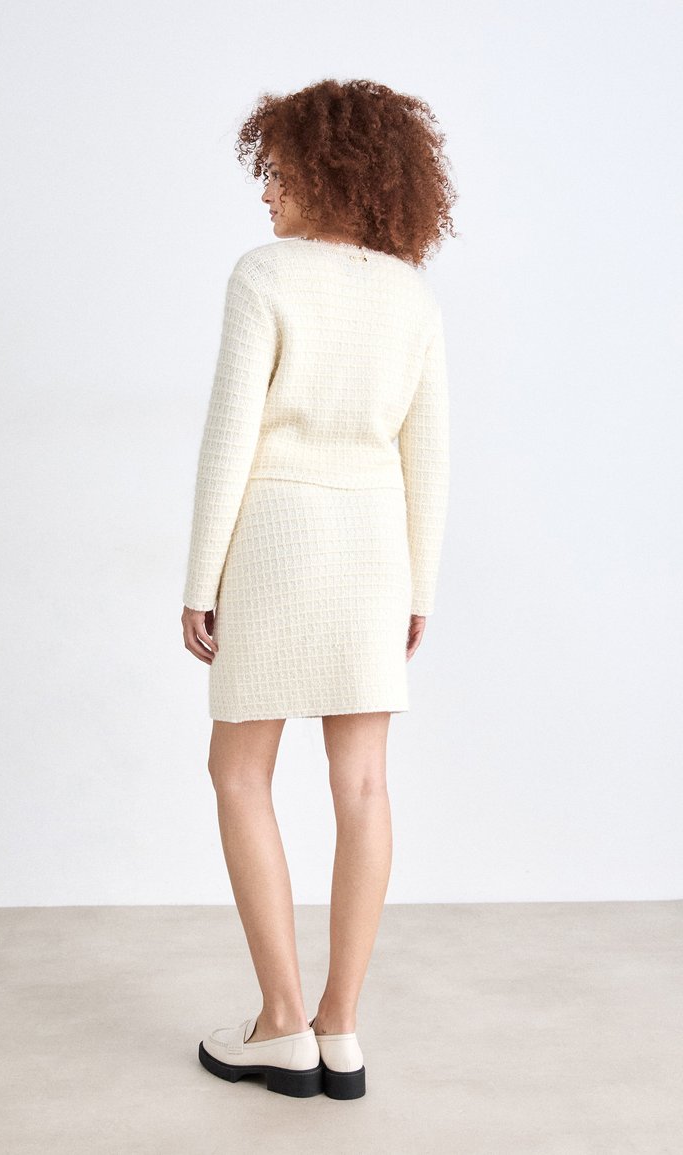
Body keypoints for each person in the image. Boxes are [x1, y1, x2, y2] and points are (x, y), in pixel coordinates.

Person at [181, 78, 456, 1098]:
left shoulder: (264, 274)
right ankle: (341, 1030)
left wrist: (198, 578)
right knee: (365, 782)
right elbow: (428, 455)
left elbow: (229, 439)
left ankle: (280, 1022)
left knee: (238, 769)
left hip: (277, 539)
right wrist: (419, 586)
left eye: (279, 172)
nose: (267, 192)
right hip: (375, 548)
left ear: (326, 172)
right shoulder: (410, 295)